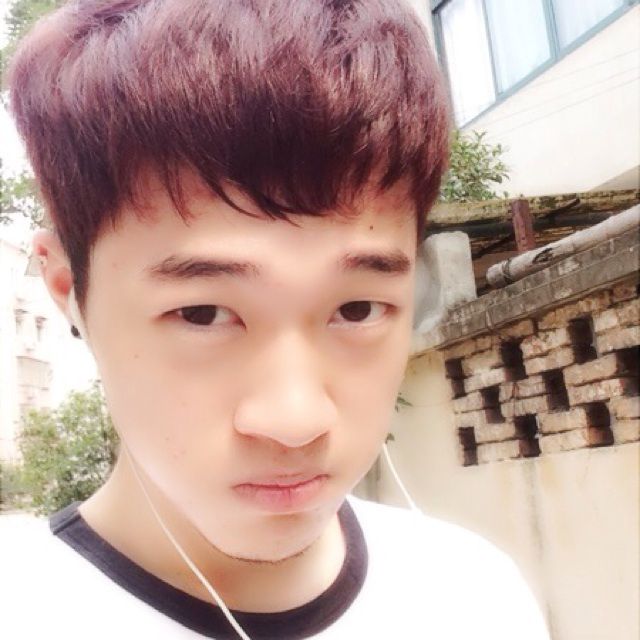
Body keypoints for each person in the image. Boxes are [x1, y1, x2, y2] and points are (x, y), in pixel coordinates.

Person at [1, 1, 550, 638]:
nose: (296, 422)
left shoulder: (479, 597)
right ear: (69, 288)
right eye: (202, 313)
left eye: (357, 309)